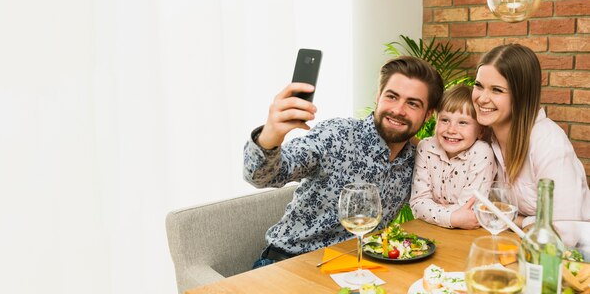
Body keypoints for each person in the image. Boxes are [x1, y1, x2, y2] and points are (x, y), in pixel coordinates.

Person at [243, 56, 444, 267]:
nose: (398, 110)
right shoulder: (337, 135)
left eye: (412, 104)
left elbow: (446, 197)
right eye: (392, 97)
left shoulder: (417, 162)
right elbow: (262, 176)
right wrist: (270, 135)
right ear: (378, 97)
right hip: (288, 265)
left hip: (354, 269)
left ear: (428, 114)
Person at [472, 44, 590, 229]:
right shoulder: (482, 135)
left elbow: (566, 229)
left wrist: (513, 220)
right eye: (478, 86)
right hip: (511, 246)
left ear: (521, 96)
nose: (482, 98)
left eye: (497, 90)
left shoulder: (549, 142)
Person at [410, 84, 496, 229]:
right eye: (444, 120)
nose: (451, 130)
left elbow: (470, 213)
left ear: (480, 130)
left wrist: (433, 210)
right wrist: (453, 217)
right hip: (431, 232)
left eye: (462, 122)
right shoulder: (426, 148)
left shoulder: (481, 153)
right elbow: (417, 203)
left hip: (468, 236)